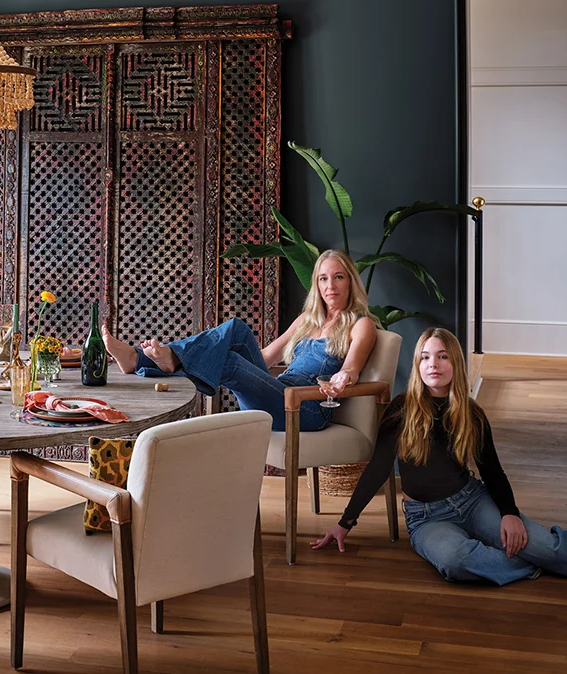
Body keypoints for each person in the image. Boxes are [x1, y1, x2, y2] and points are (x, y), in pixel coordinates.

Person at [311, 327, 567, 585]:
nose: (433, 364)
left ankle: (534, 558)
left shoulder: (472, 413)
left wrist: (509, 513)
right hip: (426, 518)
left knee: (549, 548)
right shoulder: (402, 409)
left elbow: (492, 471)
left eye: (443, 356)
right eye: (425, 357)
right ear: (418, 365)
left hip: (473, 502)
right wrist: (345, 522)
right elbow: (378, 469)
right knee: (457, 562)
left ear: (455, 362)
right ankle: (531, 564)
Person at [103, 249, 380, 431]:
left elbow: (351, 368)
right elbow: (267, 357)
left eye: (338, 277)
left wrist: (343, 377)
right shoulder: (307, 321)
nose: (330, 286)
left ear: (350, 282)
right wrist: (231, 355)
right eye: (323, 279)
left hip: (306, 407)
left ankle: (146, 360)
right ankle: (151, 359)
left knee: (230, 363)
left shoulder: (360, 324)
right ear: (316, 285)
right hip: (278, 390)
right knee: (235, 328)